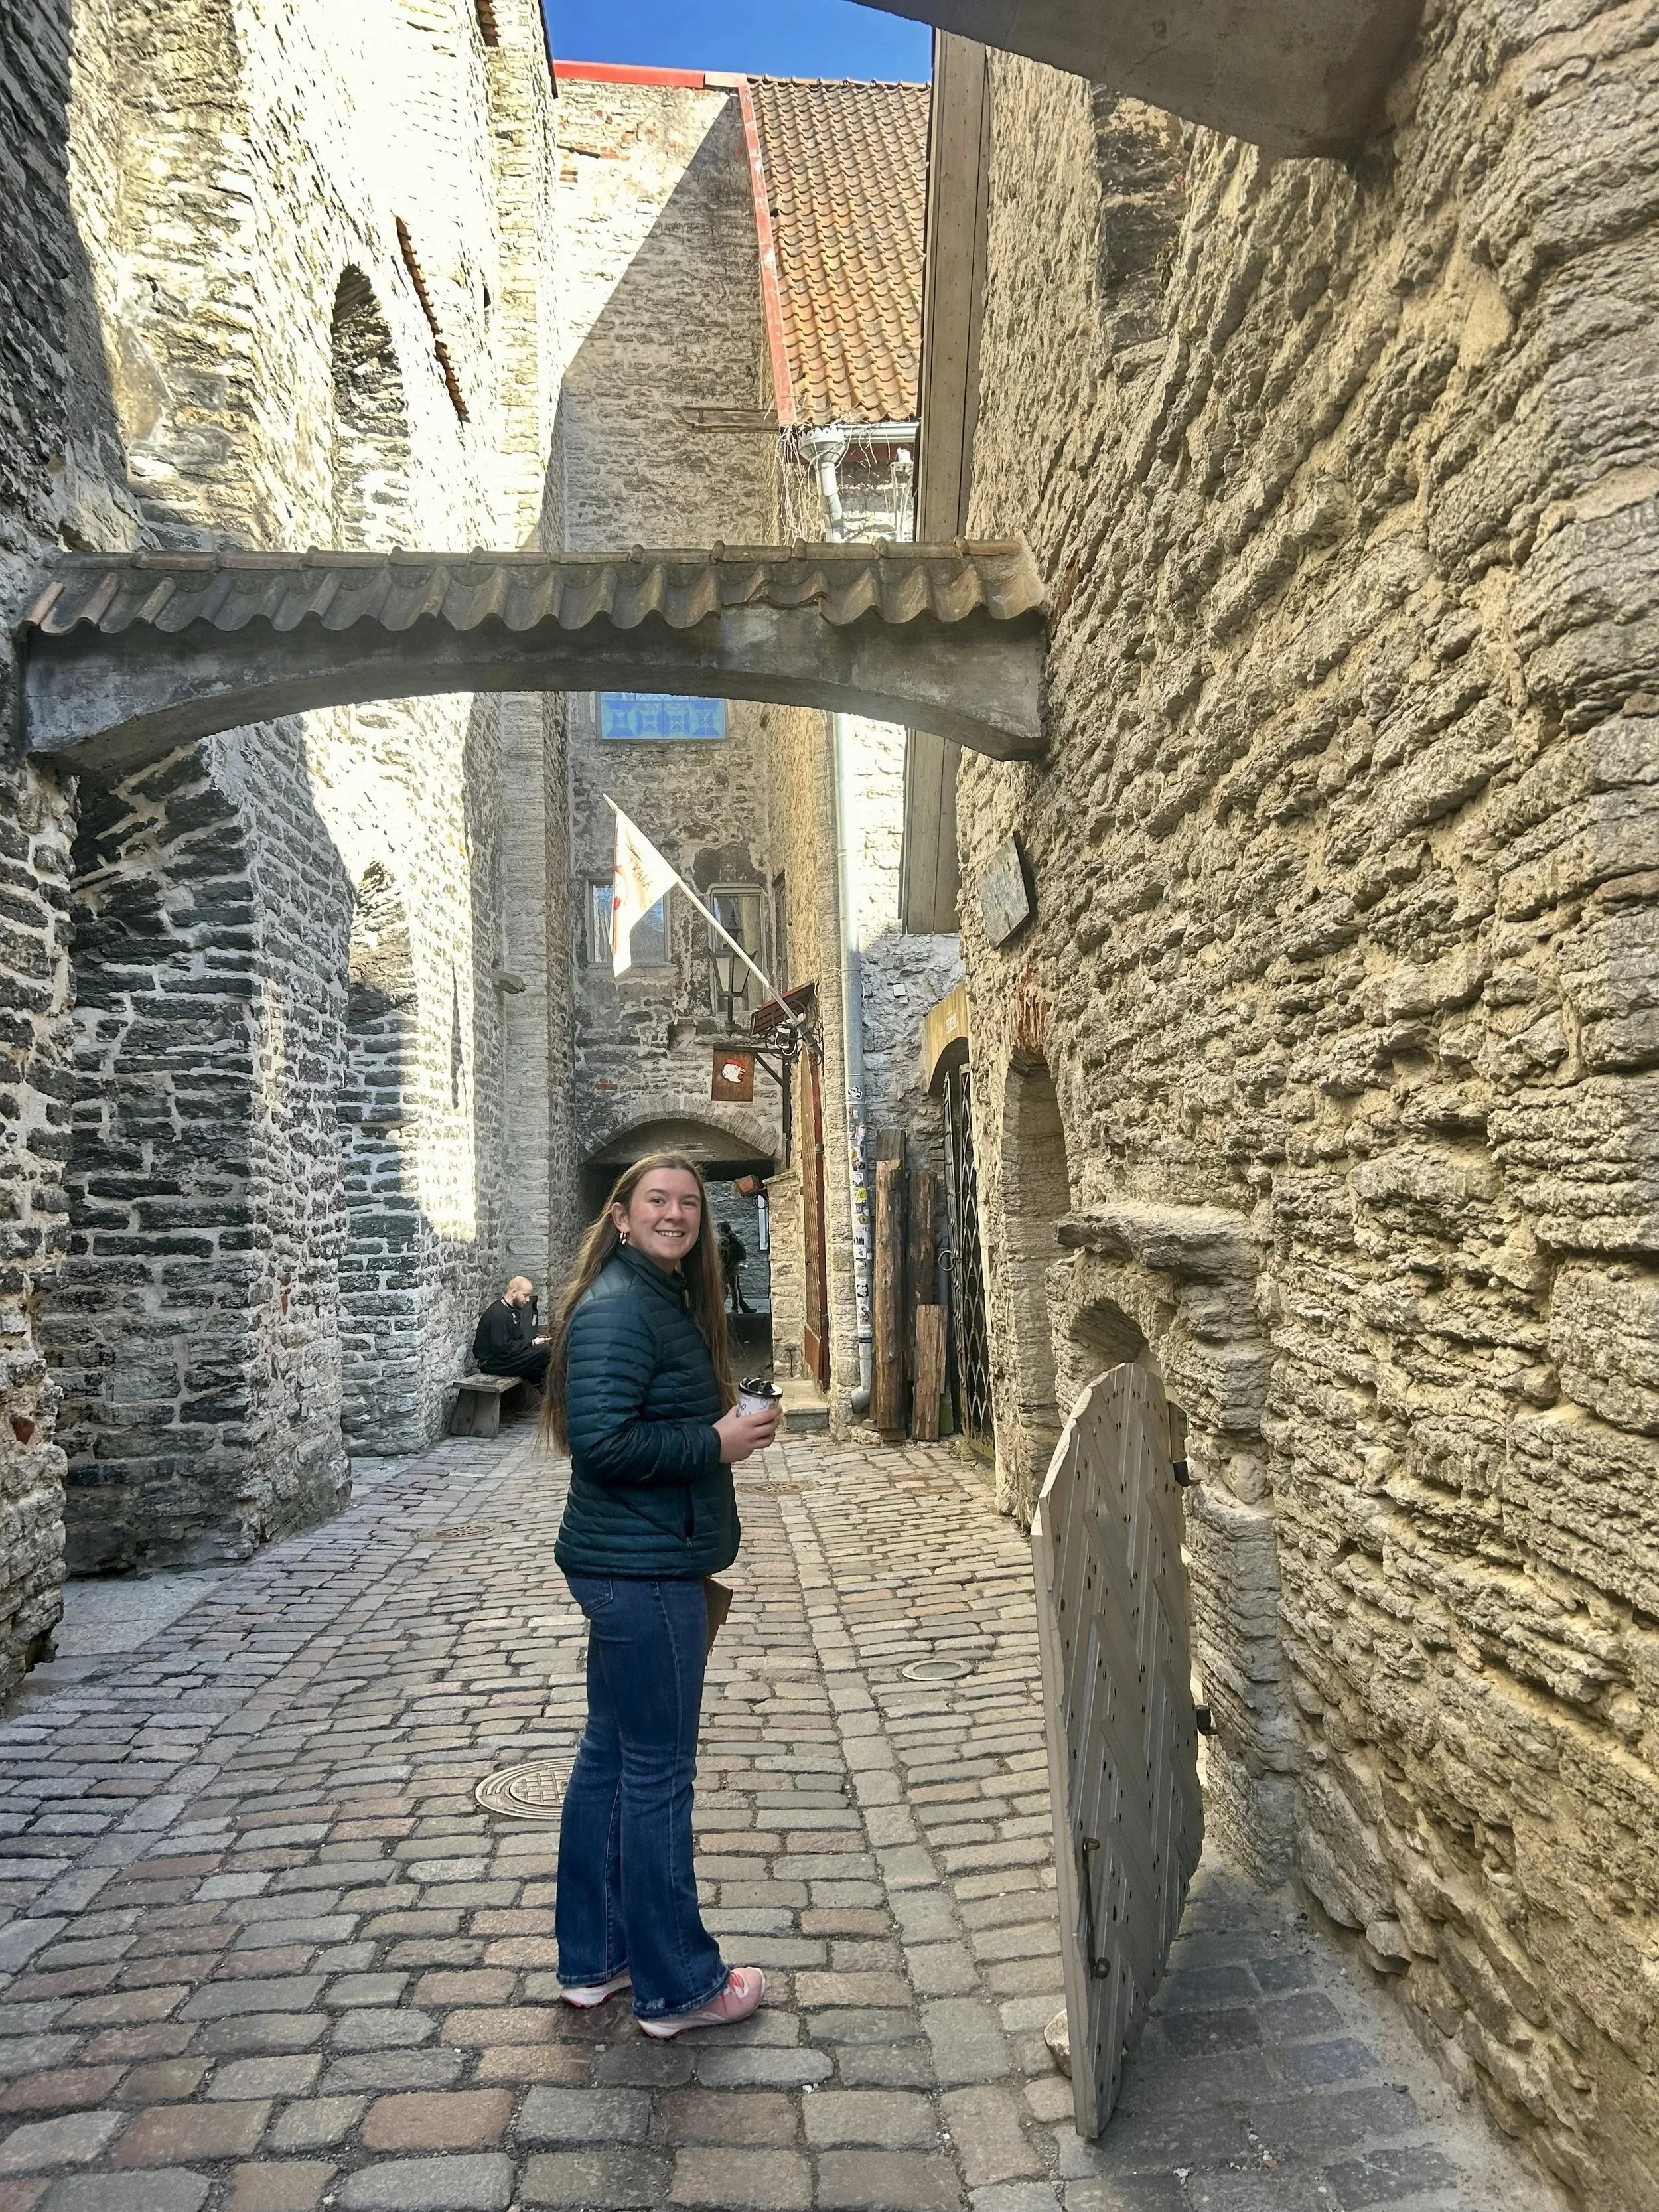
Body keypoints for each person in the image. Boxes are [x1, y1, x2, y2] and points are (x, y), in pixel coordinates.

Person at [539, 1151, 781, 2037]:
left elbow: (644, 1419)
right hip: (642, 1571)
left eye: (687, 1202)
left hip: (634, 1564)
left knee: (611, 1757)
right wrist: (717, 1442)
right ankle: (681, 1986)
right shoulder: (619, 1307)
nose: (675, 1213)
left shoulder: (656, 1296)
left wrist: (728, 1424)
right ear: (623, 1215)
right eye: (658, 1201)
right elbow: (603, 1443)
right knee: (655, 1776)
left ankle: (596, 1959)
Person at [472, 1276, 549, 1388]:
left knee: (539, 1363)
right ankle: (555, 1396)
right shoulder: (499, 1313)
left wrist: (532, 1344)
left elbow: (518, 1341)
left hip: (503, 1359)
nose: (528, 1300)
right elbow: (502, 1348)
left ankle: (554, 1396)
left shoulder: (513, 1312)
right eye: (525, 1295)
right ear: (514, 1292)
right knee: (546, 1352)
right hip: (492, 1363)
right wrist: (532, 1343)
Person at [716, 1218, 750, 1315]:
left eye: (719, 1230)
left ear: (722, 1230)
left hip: (726, 1268)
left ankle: (719, 1308)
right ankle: (735, 1309)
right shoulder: (733, 1238)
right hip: (734, 1268)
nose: (718, 1232)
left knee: (723, 1289)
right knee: (734, 1289)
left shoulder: (723, 1241)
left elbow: (719, 1256)